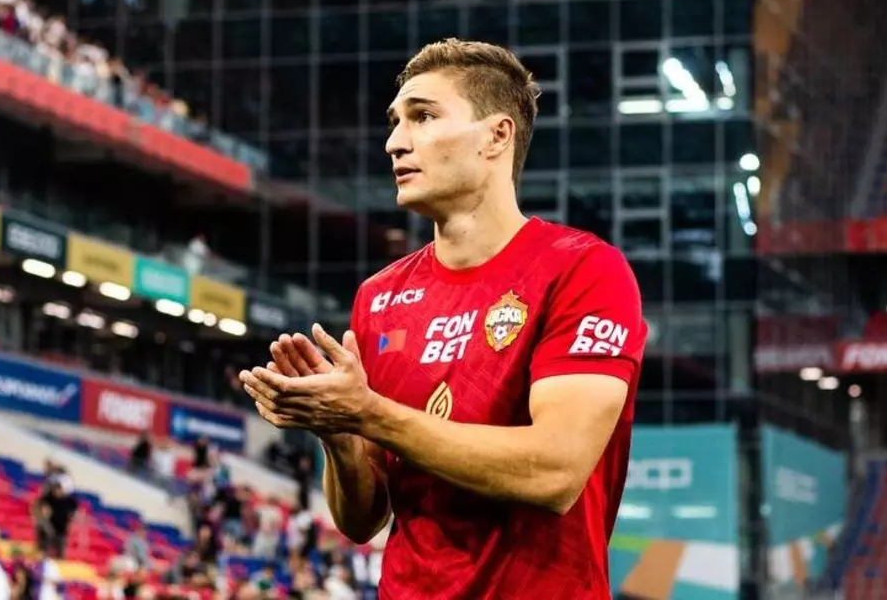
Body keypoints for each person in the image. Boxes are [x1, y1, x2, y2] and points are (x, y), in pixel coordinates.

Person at [240, 38, 646, 599]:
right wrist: (338, 433)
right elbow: (362, 521)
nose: (395, 142)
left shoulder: (583, 270)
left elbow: (555, 473)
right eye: (395, 122)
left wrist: (369, 413)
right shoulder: (379, 297)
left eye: (424, 117)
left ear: (497, 136)